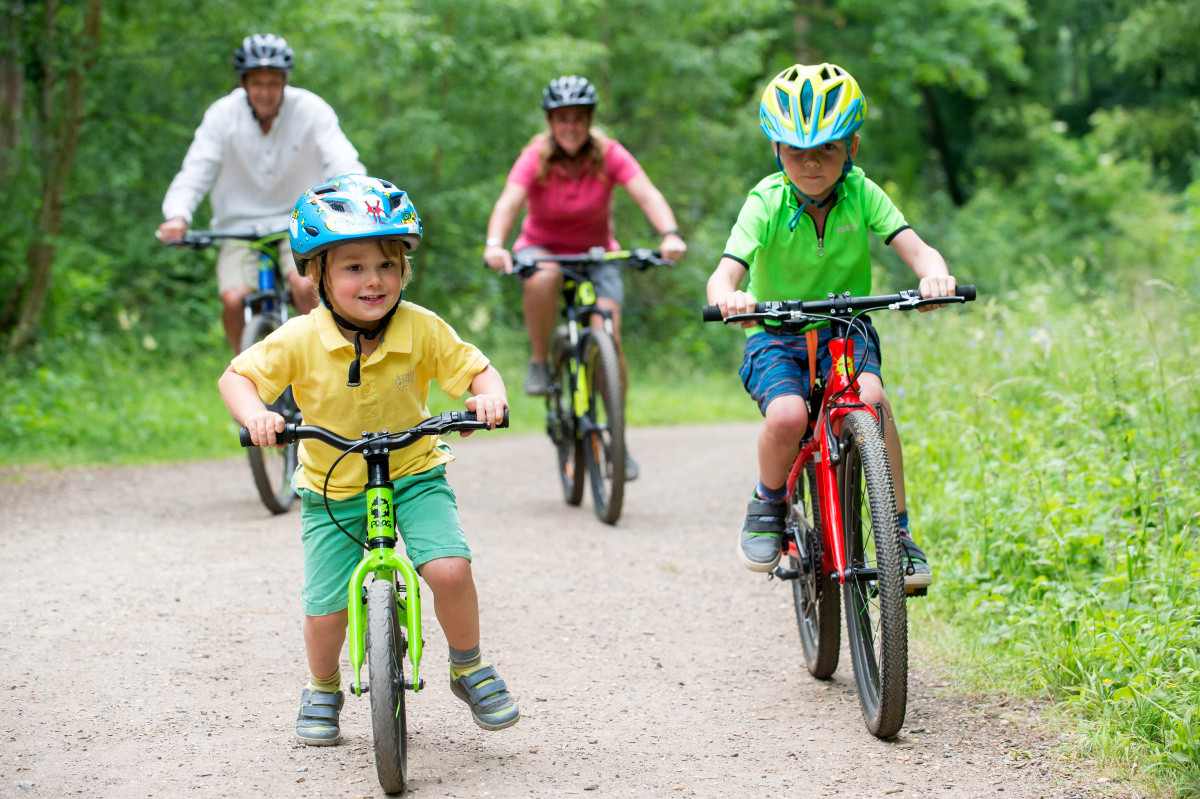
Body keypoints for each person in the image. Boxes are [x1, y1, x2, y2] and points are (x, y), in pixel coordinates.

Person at [218, 174, 519, 744]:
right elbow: (236, 376)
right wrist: (255, 415)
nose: (373, 280)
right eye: (353, 267)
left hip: (414, 472)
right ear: (318, 275)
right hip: (331, 485)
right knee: (326, 608)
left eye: (387, 265)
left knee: (450, 569)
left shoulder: (422, 327)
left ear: (404, 270)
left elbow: (476, 368)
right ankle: (323, 686)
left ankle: (469, 665)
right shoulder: (300, 337)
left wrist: (488, 395)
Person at [706, 63, 958, 591]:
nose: (812, 163)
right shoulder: (766, 201)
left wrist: (934, 277)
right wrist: (730, 298)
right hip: (775, 333)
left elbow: (917, 249)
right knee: (788, 415)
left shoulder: (863, 193)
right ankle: (769, 502)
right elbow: (725, 273)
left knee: (875, 403)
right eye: (797, 150)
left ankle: (898, 533)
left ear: (852, 149)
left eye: (827, 149)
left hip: (847, 329)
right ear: (777, 151)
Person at [482, 75, 686, 478]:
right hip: (542, 249)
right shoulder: (536, 156)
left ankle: (616, 435)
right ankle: (540, 361)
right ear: (551, 122)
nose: (570, 126)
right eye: (561, 119)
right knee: (543, 277)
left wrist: (670, 233)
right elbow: (509, 202)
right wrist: (494, 243)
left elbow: (646, 193)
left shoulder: (608, 153)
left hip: (597, 253)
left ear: (589, 120)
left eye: (578, 118)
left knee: (608, 334)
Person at [158, 33, 366, 352]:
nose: (265, 92)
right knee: (234, 298)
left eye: (273, 83)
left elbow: (341, 158)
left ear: (284, 82)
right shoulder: (222, 115)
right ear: (243, 83)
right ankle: (242, 372)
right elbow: (196, 170)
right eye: (257, 83)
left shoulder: (311, 109)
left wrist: (358, 195)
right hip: (238, 225)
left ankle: (330, 360)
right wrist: (177, 216)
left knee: (304, 286)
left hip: (300, 219)